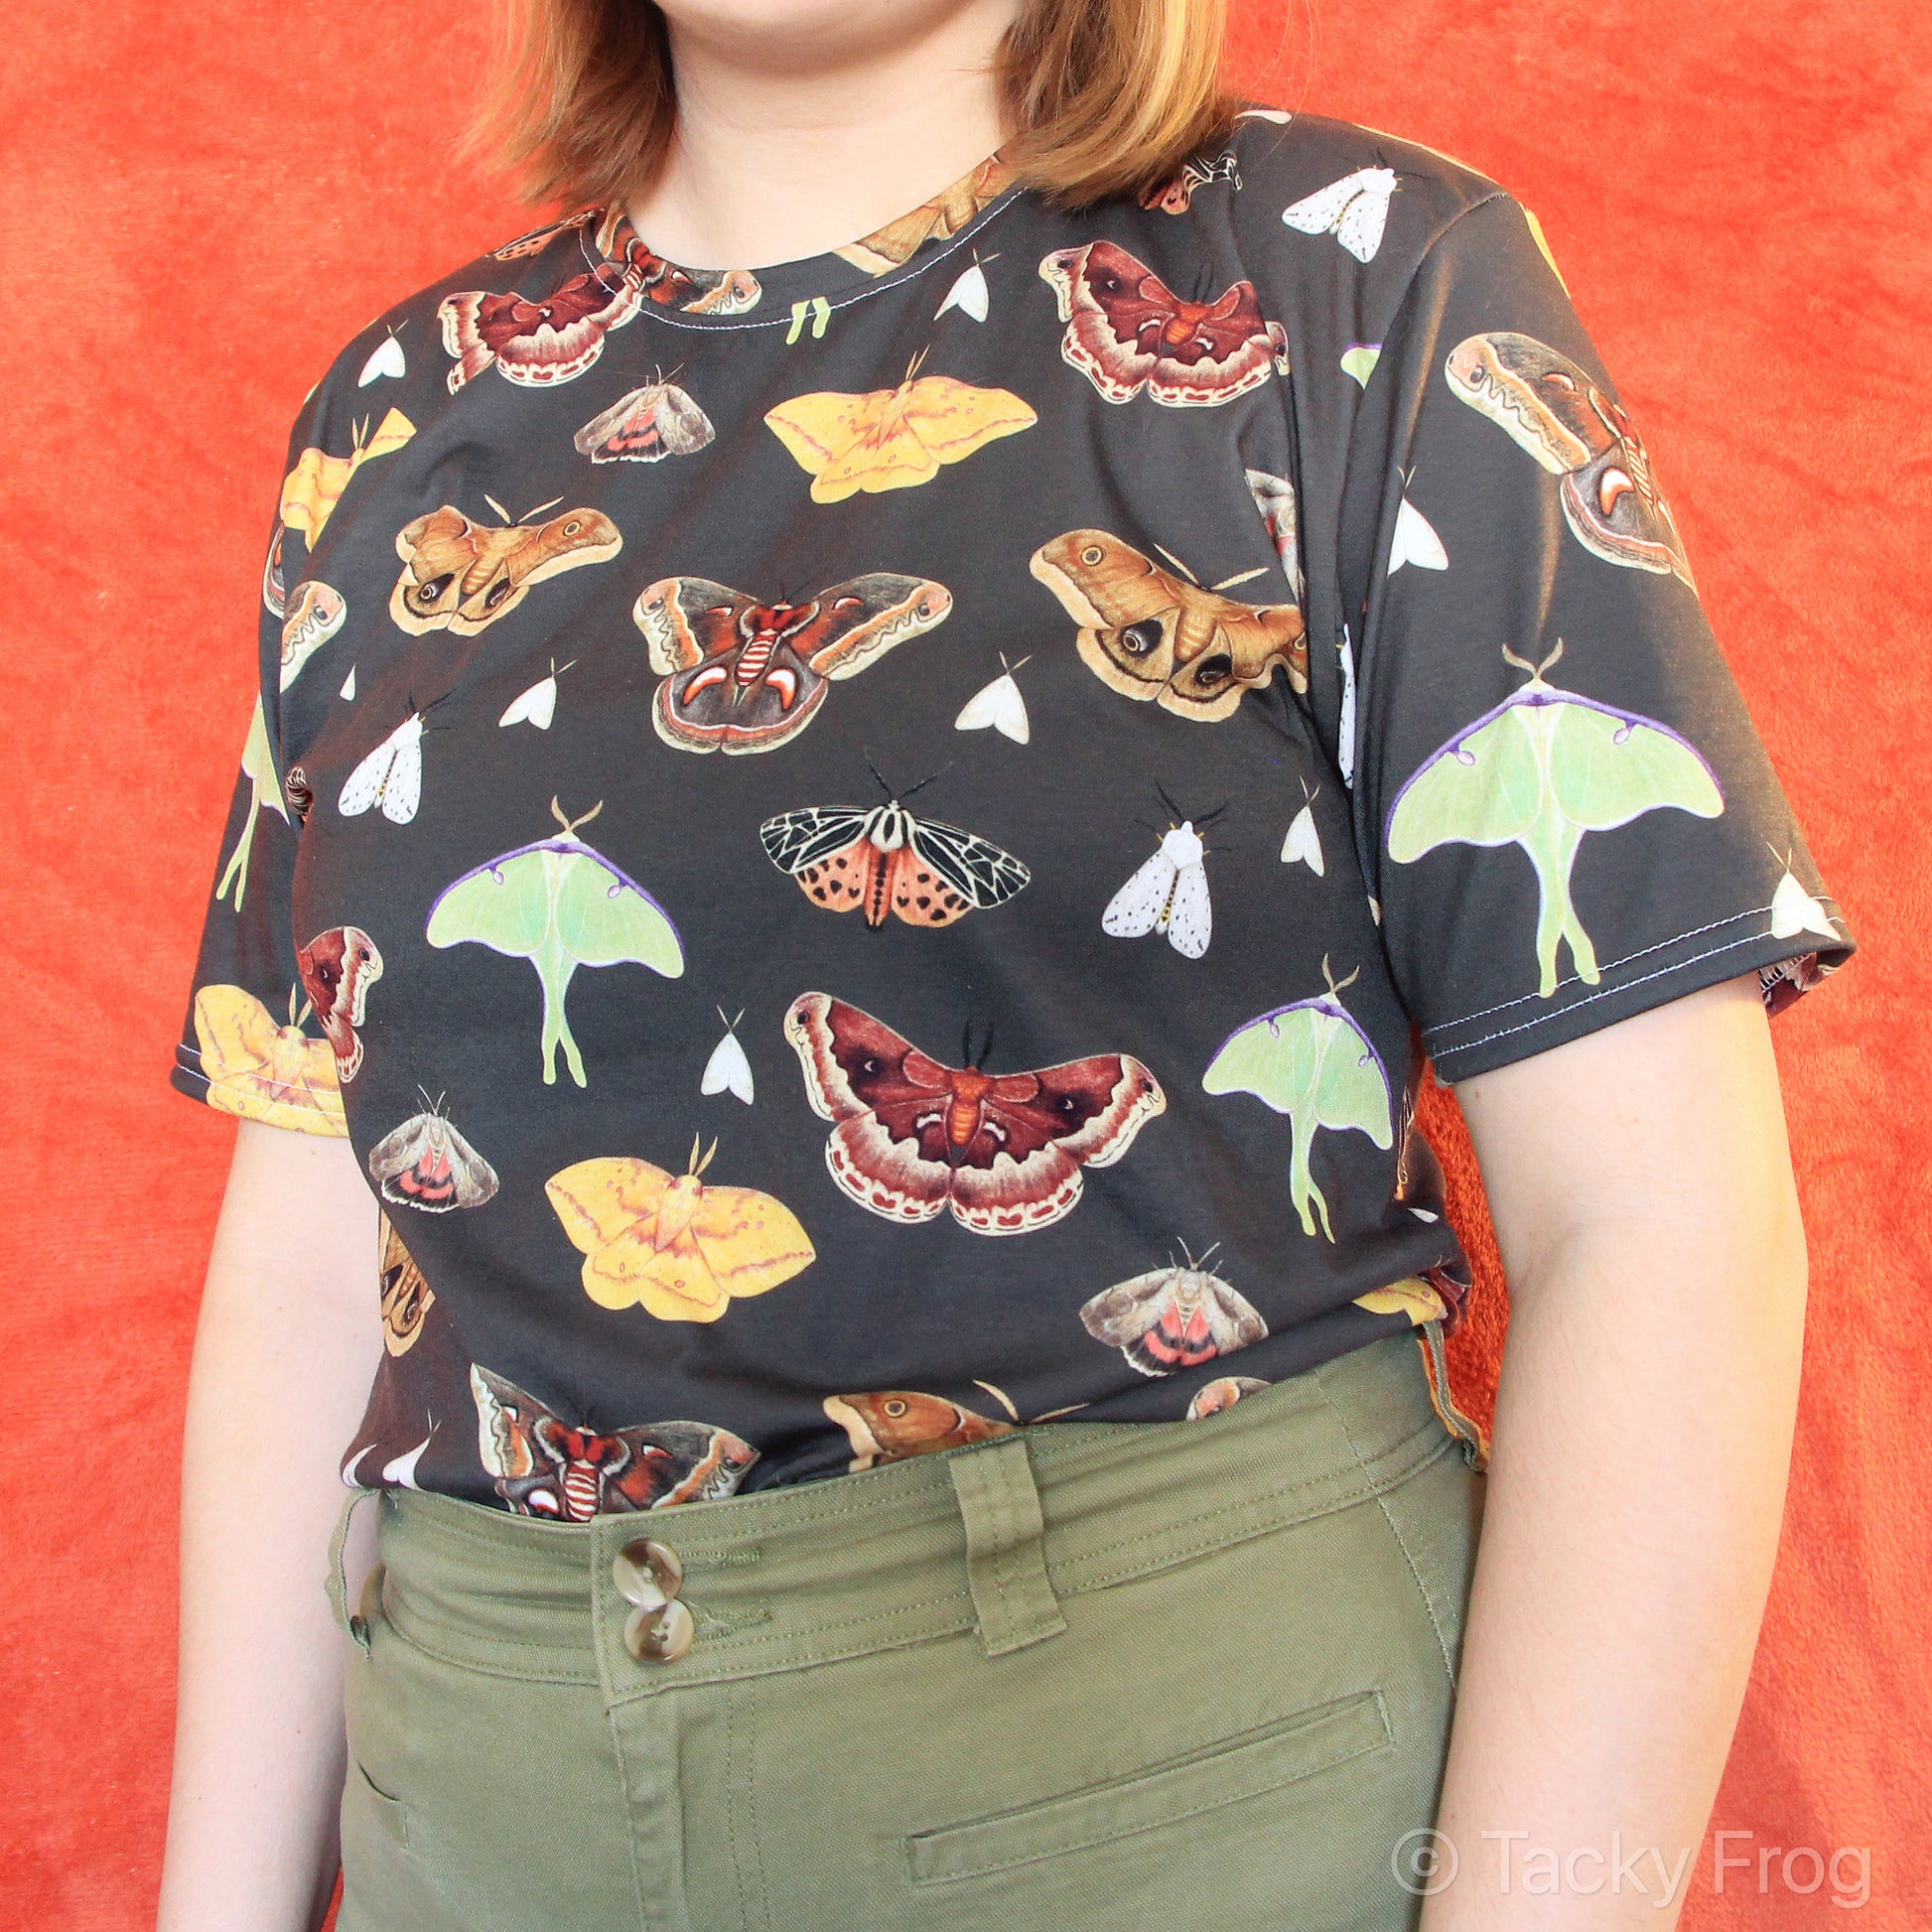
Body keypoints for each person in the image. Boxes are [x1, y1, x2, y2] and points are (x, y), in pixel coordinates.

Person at [155, 1, 1854, 1926]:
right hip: (476, 1811)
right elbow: (317, 1241)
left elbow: (1654, 1221)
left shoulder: (1361, 276)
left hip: (1174, 1792)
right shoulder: (398, 415)